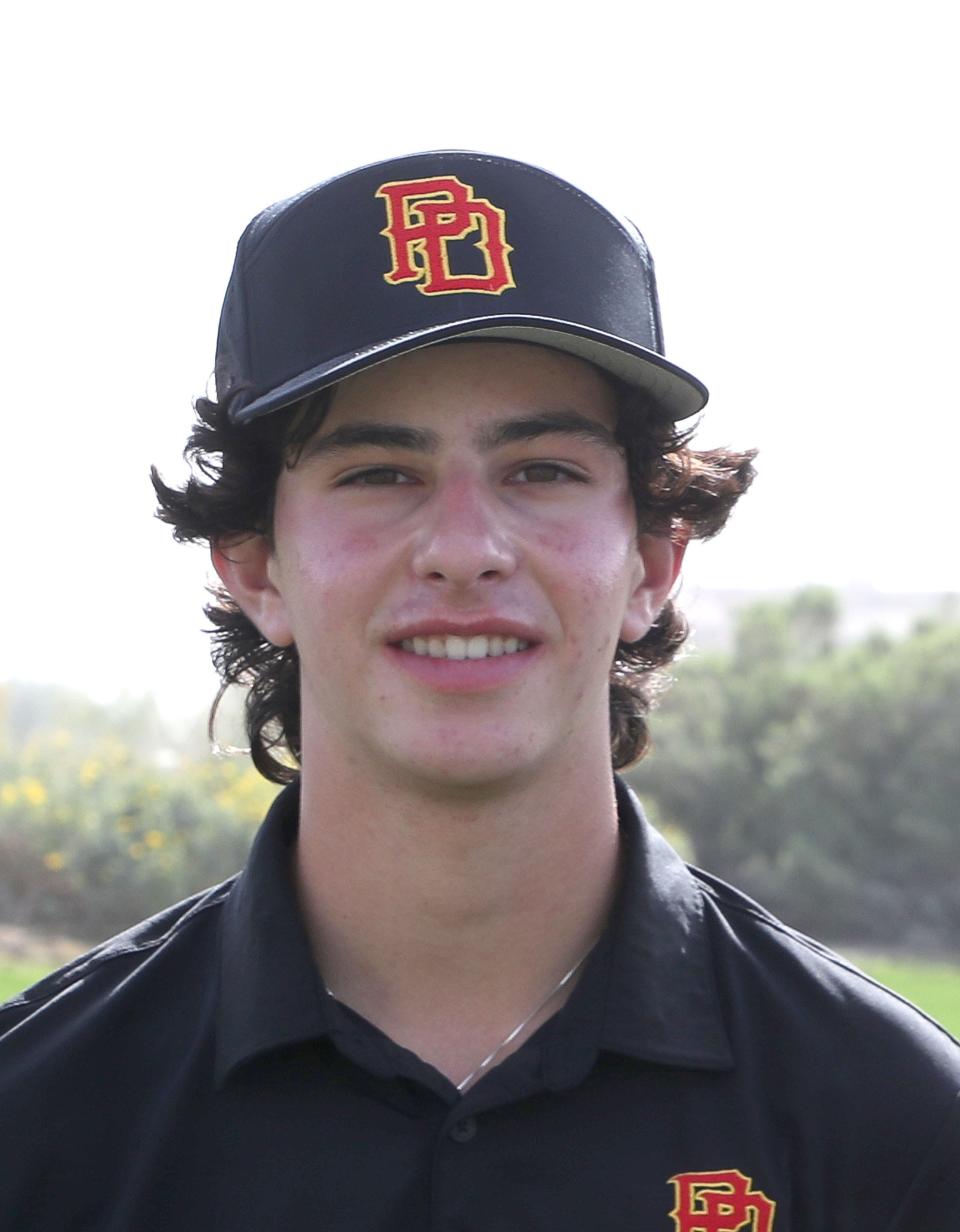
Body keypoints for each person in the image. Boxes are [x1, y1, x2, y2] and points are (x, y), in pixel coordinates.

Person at [1, 151, 957, 1230]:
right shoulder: (39, 1121)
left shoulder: (898, 1128)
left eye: (541, 469)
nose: (465, 548)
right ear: (255, 565)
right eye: (379, 472)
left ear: (654, 561)